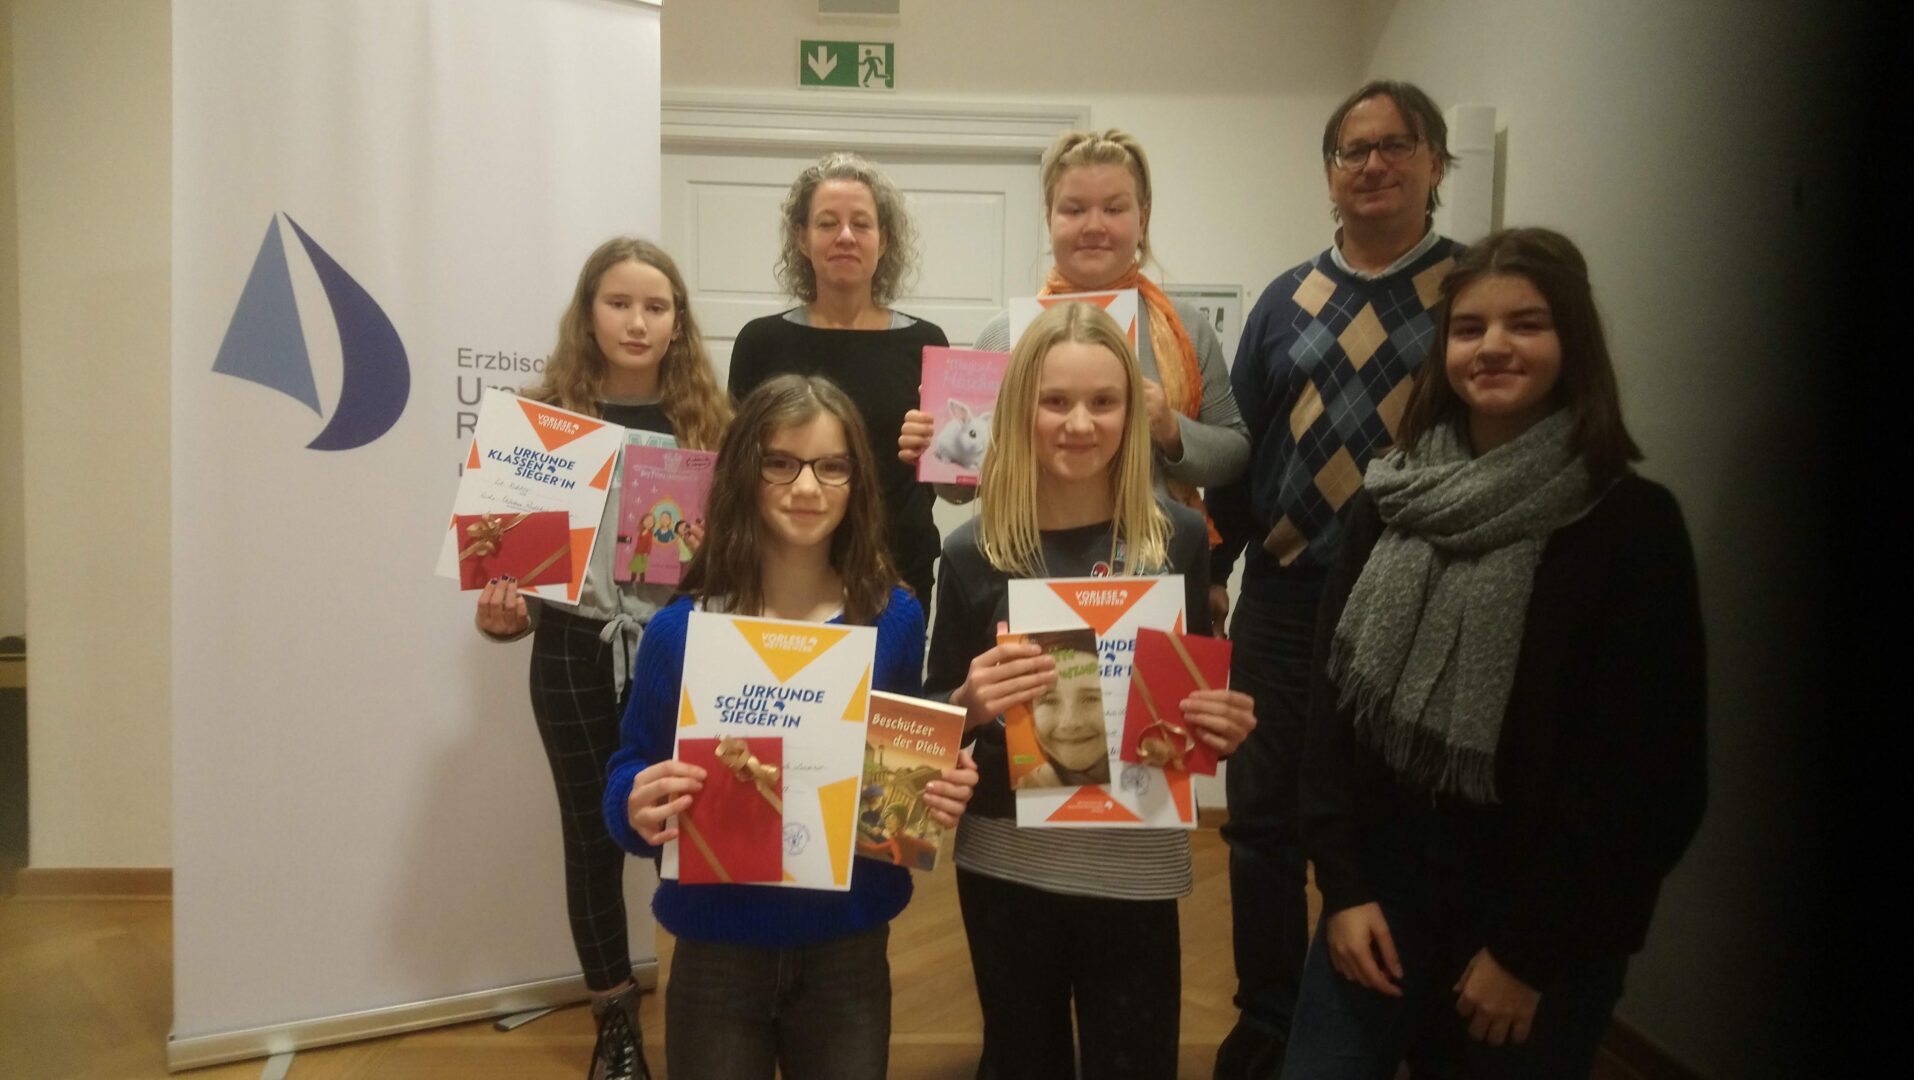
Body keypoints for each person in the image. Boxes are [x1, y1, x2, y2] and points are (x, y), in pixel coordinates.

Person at [1282, 228, 1707, 1078]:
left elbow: (1649, 778)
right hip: (1382, 895)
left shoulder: (1628, 524)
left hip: (1539, 919)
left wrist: (1529, 954)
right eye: (1470, 328)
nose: (1494, 346)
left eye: (1527, 324)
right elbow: (1330, 711)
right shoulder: (1389, 500)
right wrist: (1345, 887)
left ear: (1572, 341)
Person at [603, 374, 981, 1080]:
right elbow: (628, 768)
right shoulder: (680, 632)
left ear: (857, 482)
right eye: (780, 462)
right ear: (743, 473)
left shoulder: (893, 622)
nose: (807, 487)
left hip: (847, 948)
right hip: (716, 948)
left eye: (831, 466)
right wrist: (634, 802)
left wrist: (931, 789)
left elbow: (895, 783)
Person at [1205, 80, 1469, 1078]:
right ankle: (1271, 1017)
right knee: (1261, 822)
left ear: (1435, 163)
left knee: (1399, 819)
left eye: (1395, 146)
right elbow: (1244, 454)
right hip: (1285, 597)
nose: (1373, 165)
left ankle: (1385, 1017)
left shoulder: (1471, 292)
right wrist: (1218, 571)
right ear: (1329, 173)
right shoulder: (1286, 299)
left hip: (1417, 598)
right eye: (1353, 150)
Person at [925, 302, 1257, 1077]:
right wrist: (968, 703)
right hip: (1007, 860)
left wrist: (1218, 727)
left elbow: (1183, 718)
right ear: (1019, 409)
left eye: (1104, 401)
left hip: (1134, 862)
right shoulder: (973, 552)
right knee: (1021, 1061)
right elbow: (930, 725)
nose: (1080, 423)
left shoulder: (1177, 539)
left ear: (1133, 413)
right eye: (1055, 401)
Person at [473, 237, 731, 1080]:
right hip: (572, 655)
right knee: (591, 842)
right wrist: (503, 616)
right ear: (589, 313)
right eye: (619, 303)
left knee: (691, 829)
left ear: (678, 322)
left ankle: (712, 1005)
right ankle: (615, 1024)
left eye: (656, 306)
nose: (637, 322)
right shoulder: (541, 426)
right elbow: (511, 582)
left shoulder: (714, 426)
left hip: (682, 654)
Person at [900, 128, 1248, 526]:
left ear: (1143, 218)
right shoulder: (1004, 335)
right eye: (1074, 209)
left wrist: (1170, 429)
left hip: (1156, 553)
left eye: (1114, 209)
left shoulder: (1185, 329)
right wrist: (933, 447)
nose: (1094, 226)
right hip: (1029, 552)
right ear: (1049, 218)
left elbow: (1235, 456)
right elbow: (961, 490)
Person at [729, 152, 949, 602]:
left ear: (884, 241)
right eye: (828, 223)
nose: (845, 236)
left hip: (897, 572)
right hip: (781, 572)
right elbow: (735, 470)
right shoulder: (760, 342)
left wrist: (937, 452)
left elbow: (954, 482)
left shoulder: (926, 344)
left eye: (861, 224)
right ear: (802, 238)